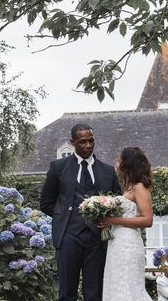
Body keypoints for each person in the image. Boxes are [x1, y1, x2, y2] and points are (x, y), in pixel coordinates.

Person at [40, 123, 121, 301]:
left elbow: (118, 201)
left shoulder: (107, 171)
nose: (88, 145)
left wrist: (106, 216)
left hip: (97, 238)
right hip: (68, 237)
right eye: (82, 142)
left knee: (95, 292)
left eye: (91, 141)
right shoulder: (58, 167)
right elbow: (46, 203)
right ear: (72, 142)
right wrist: (64, 217)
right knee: (67, 292)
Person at [99, 147, 154, 301]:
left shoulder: (140, 188)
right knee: (117, 283)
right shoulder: (127, 189)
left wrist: (114, 220)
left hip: (128, 245)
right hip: (117, 243)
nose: (117, 163)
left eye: (119, 160)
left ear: (127, 163)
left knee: (128, 285)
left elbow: (147, 220)